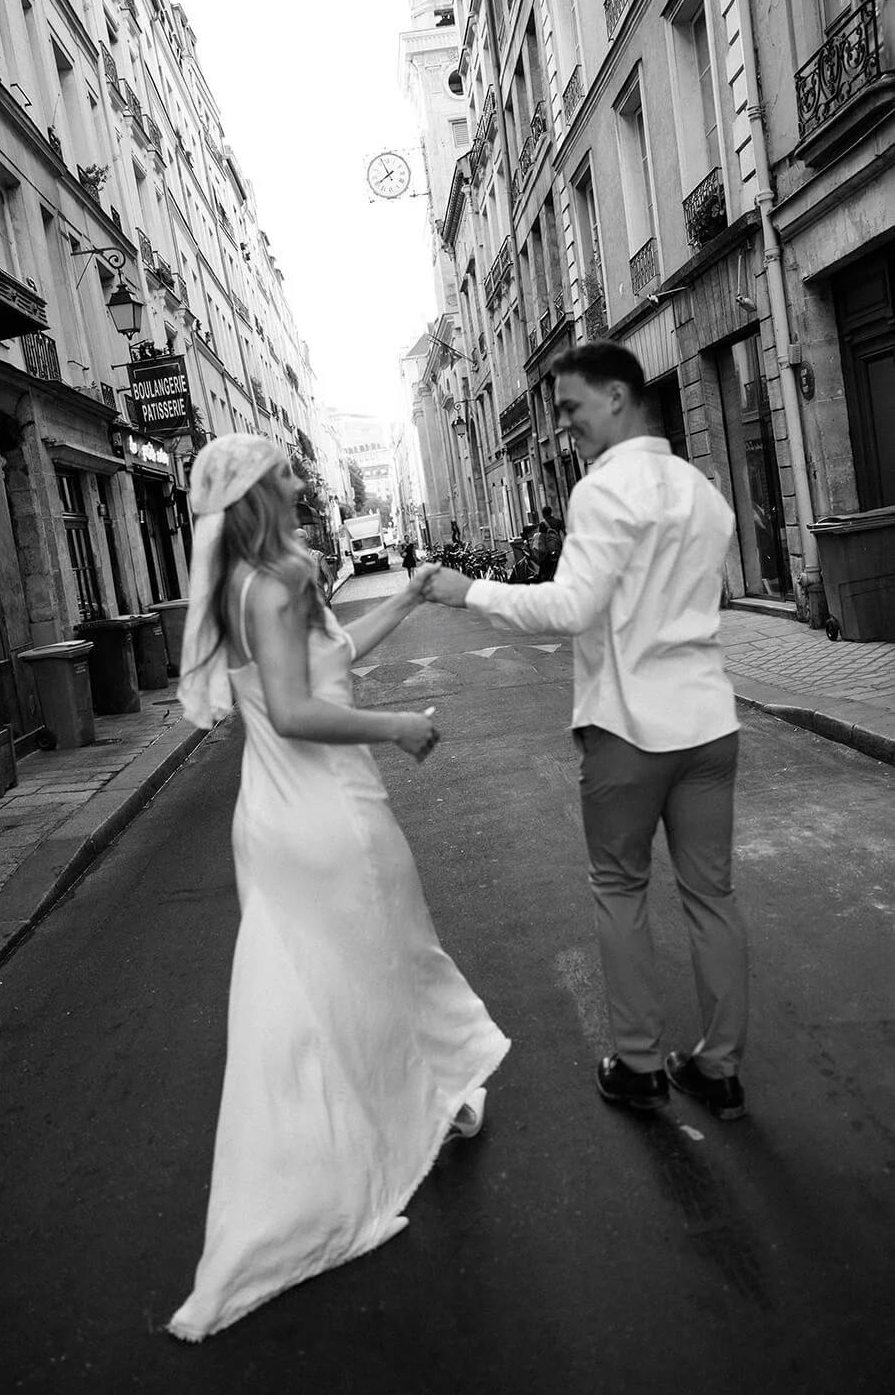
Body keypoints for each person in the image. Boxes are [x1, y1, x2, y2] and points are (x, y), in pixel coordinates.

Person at [169, 436, 509, 1342]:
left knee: (319, 984)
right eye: (281, 470)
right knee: (387, 955)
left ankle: (362, 1127)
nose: (296, 478)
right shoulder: (272, 583)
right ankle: (389, 1122)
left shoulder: (262, 580)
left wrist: (404, 593)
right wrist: (394, 723)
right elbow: (292, 709)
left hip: (277, 816)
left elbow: (328, 656)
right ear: (253, 492)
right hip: (324, 813)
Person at [425, 343, 748, 1123]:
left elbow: (569, 608)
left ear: (615, 395)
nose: (562, 424)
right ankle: (720, 1070)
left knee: (619, 890)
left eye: (569, 407)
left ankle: (638, 1066)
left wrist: (470, 591)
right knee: (711, 898)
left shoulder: (603, 492)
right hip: (709, 723)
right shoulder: (703, 492)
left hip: (629, 728)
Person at [295, 525, 334, 605]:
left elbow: (329, 575)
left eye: (301, 537)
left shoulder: (318, 555)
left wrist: (329, 590)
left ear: (307, 539)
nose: (299, 540)